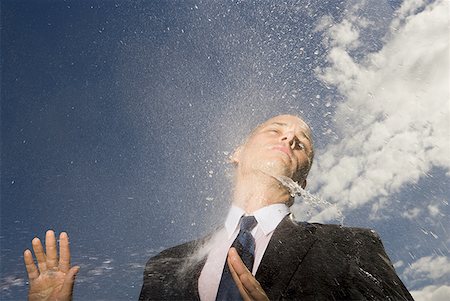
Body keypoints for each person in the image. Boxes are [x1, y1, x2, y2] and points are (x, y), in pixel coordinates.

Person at [24, 114, 414, 301]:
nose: (290, 138)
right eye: (275, 130)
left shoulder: (352, 246)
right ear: (236, 154)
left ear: (304, 181)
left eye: (302, 142)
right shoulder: (165, 266)